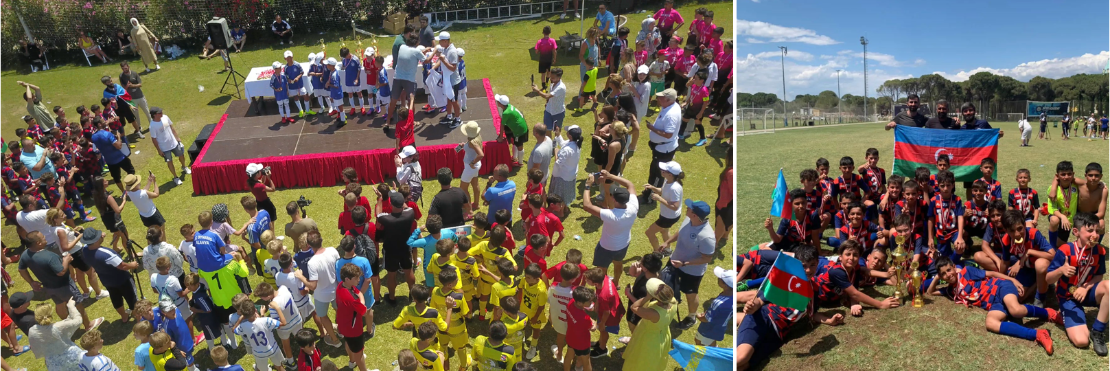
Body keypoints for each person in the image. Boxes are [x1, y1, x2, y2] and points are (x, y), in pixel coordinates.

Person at [1045, 212, 1108, 355]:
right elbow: (1048, 279)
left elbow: (1099, 275)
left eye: (1097, 231)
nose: (1095, 235)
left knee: (1108, 286)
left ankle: (1097, 331)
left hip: (1087, 292)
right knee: (1081, 341)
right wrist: (1061, 270)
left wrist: (1085, 288)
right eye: (1090, 230)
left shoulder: (1099, 251)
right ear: (1076, 232)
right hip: (1068, 297)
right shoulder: (1065, 250)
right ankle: (1066, 315)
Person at [18, 231, 103, 332]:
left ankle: (69, 327)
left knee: (60, 304)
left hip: (49, 287)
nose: (45, 237)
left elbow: (21, 269)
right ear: (38, 243)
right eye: (42, 237)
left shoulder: (25, 254)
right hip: (64, 286)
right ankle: (88, 325)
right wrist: (66, 260)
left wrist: (31, 282)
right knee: (77, 304)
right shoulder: (49, 256)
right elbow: (61, 272)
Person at [660, 199, 716, 329]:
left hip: (692, 271)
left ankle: (692, 317)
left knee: (690, 294)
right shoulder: (688, 220)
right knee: (665, 284)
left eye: (689, 208)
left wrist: (684, 263)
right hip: (675, 261)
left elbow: (707, 258)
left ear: (695, 215)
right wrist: (667, 242)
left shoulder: (706, 237)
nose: (686, 209)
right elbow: (680, 232)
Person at [583, 171, 638, 284]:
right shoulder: (634, 206)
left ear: (614, 200)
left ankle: (605, 286)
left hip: (606, 247)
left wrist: (587, 185)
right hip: (623, 244)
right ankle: (616, 282)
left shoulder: (611, 215)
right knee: (618, 263)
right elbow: (630, 185)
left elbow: (587, 206)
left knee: (602, 268)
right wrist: (610, 176)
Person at [81, 228, 140, 323]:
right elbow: (122, 266)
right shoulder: (106, 253)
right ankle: (137, 316)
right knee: (132, 297)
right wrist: (132, 265)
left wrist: (99, 238)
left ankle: (124, 316)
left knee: (115, 298)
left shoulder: (84, 250)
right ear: (96, 240)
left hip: (107, 281)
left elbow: (88, 245)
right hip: (122, 280)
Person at [621, 278, 677, 371]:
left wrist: (648, 297)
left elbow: (634, 307)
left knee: (641, 362)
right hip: (662, 334)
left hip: (649, 339)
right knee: (653, 362)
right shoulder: (673, 301)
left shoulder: (654, 313)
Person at [377, 192, 418, 303]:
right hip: (405, 248)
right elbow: (405, 206)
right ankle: (413, 295)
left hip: (391, 251)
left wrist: (380, 199)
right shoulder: (410, 213)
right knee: (409, 272)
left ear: (391, 204)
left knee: (391, 275)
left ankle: (391, 297)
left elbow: (378, 214)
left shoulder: (387, 219)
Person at [28, 299, 87, 371]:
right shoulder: (58, 327)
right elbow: (78, 320)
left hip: (53, 363)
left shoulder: (32, 331)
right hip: (72, 357)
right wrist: (71, 306)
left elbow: (35, 347)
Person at [335, 264, 374, 371]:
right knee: (359, 353)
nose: (359, 279)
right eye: (356, 278)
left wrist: (360, 297)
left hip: (344, 325)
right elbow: (364, 311)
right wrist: (362, 300)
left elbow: (358, 292)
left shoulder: (341, 286)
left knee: (348, 342)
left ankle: (352, 362)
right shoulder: (352, 299)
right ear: (347, 279)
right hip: (354, 330)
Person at [645, 88, 680, 201]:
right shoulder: (669, 106)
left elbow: (668, 134)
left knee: (657, 174)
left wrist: (652, 129)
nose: (658, 98)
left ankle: (650, 197)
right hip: (661, 147)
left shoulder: (671, 114)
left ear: (668, 100)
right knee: (655, 171)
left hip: (663, 148)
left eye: (661, 97)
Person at [232, 301, 285, 371]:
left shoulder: (243, 326)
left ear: (243, 315)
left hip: (259, 353)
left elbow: (234, 330)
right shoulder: (265, 320)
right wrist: (263, 315)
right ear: (255, 310)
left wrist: (240, 319)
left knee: (263, 369)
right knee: (279, 366)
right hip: (273, 349)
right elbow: (282, 324)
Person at [644, 161, 684, 253]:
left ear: (670, 174)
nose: (662, 170)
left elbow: (675, 206)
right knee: (664, 231)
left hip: (668, 217)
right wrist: (652, 187)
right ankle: (667, 249)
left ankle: (657, 252)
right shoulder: (668, 180)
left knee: (649, 232)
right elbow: (663, 191)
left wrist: (659, 199)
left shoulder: (675, 188)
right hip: (667, 215)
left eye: (664, 170)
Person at [147, 107, 190, 185]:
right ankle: (176, 177)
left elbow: (172, 128)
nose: (161, 113)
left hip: (174, 143)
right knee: (169, 162)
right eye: (159, 113)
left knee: (181, 155)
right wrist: (159, 150)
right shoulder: (152, 126)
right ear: (154, 115)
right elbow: (154, 139)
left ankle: (184, 167)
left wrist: (178, 138)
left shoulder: (165, 117)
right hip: (164, 148)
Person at [90, 118, 134, 193]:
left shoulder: (93, 137)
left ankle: (124, 192)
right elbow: (119, 146)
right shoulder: (107, 134)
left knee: (116, 178)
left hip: (109, 161)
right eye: (103, 121)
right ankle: (131, 187)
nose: (105, 122)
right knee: (131, 171)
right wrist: (119, 137)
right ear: (99, 124)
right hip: (120, 158)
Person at [694, 267, 733, 347]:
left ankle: (706, 358)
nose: (718, 278)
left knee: (699, 342)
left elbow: (706, 319)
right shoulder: (732, 297)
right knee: (711, 342)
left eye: (720, 278)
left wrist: (697, 315)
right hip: (720, 327)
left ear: (725, 285)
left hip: (709, 328)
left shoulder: (718, 303)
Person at [549, 126, 583, 215]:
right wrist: (558, 135)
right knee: (565, 195)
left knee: (560, 196)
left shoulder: (567, 150)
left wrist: (556, 152)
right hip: (570, 175)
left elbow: (558, 163)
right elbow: (564, 143)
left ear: (570, 136)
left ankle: (561, 213)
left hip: (562, 176)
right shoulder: (576, 144)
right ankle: (565, 208)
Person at [494, 95, 529, 167]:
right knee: (515, 143)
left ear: (501, 104)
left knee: (519, 145)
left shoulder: (506, 113)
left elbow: (502, 125)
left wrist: (500, 137)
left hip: (519, 130)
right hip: (517, 129)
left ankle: (520, 163)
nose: (496, 102)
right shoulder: (508, 106)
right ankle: (514, 158)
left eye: (498, 101)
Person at [120, 61, 153, 128]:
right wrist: (127, 86)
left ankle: (152, 125)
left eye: (125, 68)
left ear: (128, 66)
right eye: (123, 69)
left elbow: (140, 84)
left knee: (147, 111)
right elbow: (123, 88)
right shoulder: (121, 76)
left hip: (140, 96)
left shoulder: (134, 73)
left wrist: (132, 85)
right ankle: (139, 127)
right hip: (131, 99)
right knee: (135, 114)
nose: (124, 70)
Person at [246, 163, 278, 228]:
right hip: (266, 204)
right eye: (259, 171)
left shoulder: (251, 183)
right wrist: (269, 178)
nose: (260, 171)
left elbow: (261, 182)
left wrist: (264, 175)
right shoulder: (259, 186)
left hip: (259, 204)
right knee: (271, 220)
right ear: (256, 174)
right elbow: (273, 189)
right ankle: (273, 236)